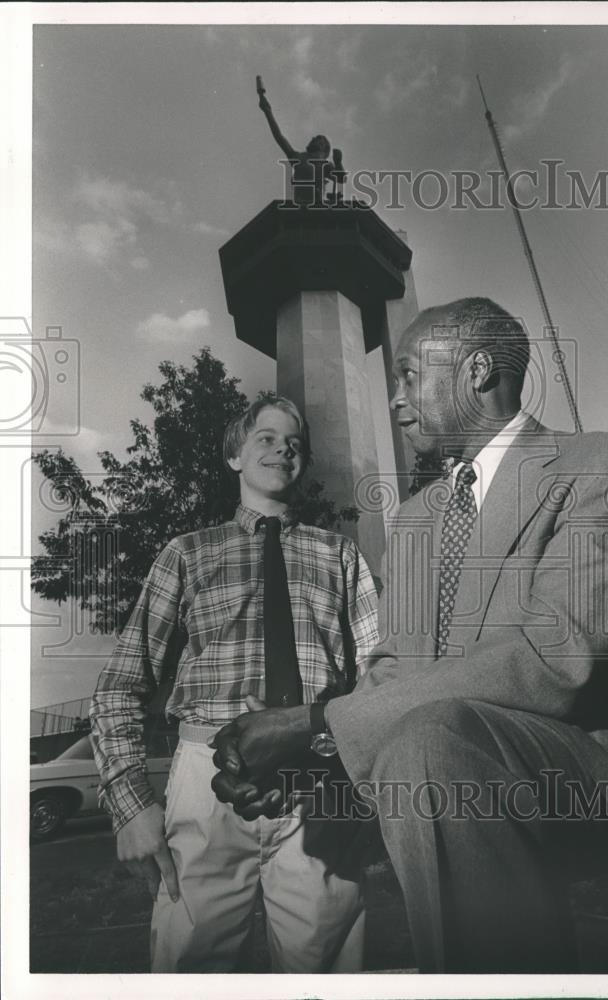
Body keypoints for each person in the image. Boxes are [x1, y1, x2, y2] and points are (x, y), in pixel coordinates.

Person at [210, 299, 608, 973]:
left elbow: (560, 656)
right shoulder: (419, 518)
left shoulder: (599, 466)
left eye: (406, 375)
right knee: (424, 743)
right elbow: (396, 675)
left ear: (477, 370)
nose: (394, 399)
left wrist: (313, 719)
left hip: (592, 766)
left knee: (430, 741)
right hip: (442, 765)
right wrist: (307, 755)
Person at [89, 392, 379, 973]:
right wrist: (130, 805)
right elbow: (120, 684)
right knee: (189, 961)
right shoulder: (187, 555)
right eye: (265, 439)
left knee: (320, 962)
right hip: (206, 777)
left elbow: (376, 680)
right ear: (235, 458)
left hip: (316, 776)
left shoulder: (341, 556)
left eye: (294, 443)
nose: (282, 449)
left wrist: (358, 777)